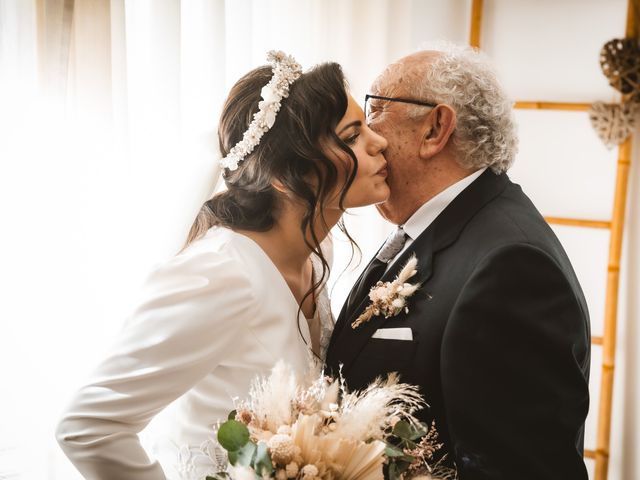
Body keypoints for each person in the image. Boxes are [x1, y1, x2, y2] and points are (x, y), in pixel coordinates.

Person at [56, 51, 389, 480]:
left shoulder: (309, 258)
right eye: (352, 135)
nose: (377, 141)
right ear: (287, 175)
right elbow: (87, 426)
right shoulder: (219, 274)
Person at [326, 43, 591, 479]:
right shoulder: (425, 228)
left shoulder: (511, 267)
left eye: (374, 111)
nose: (367, 138)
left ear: (435, 128)